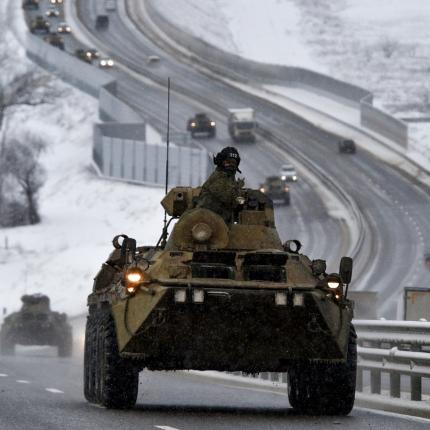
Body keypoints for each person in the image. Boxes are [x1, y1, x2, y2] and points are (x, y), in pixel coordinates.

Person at [196, 146, 245, 223]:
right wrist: (238, 192)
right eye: (228, 162)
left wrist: (240, 198)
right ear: (221, 162)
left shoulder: (229, 178)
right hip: (206, 221)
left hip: (218, 220)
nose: (231, 166)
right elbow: (230, 199)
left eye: (234, 163)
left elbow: (237, 199)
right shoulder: (218, 178)